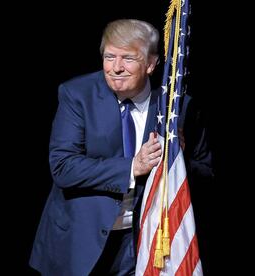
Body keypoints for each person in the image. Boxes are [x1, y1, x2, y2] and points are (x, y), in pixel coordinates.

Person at [29, 19, 212, 276]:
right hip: (79, 242)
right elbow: (63, 168)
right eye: (109, 57)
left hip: (142, 244)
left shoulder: (176, 106)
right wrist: (132, 167)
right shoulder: (77, 95)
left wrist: (177, 161)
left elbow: (205, 173)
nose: (116, 68)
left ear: (150, 64)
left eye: (128, 58)